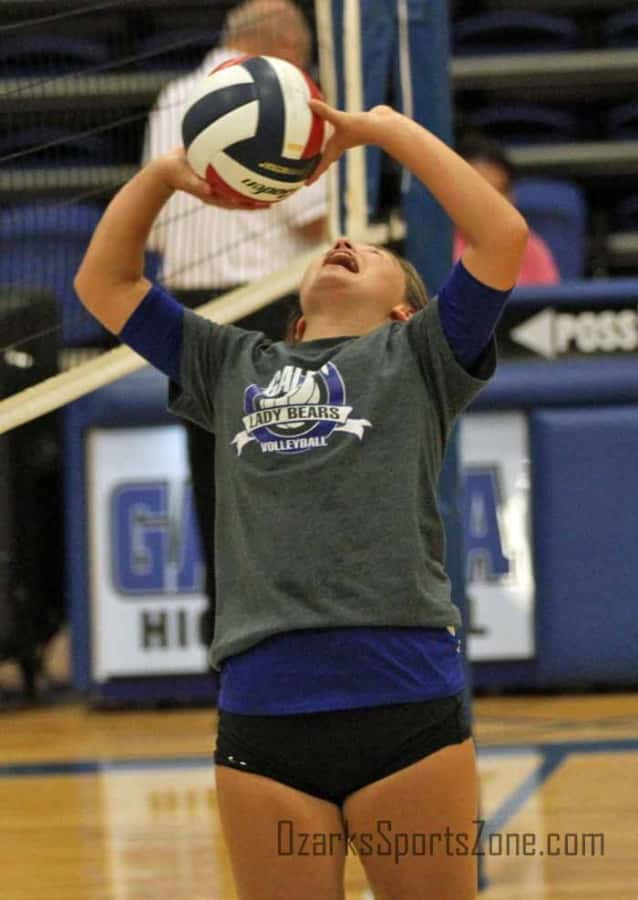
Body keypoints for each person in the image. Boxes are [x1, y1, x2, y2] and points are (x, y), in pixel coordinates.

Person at [75, 96, 528, 899]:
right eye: (332, 246)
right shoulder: (230, 362)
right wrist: (164, 177)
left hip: (403, 699)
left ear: (404, 308)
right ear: (293, 319)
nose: (343, 242)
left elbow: (501, 238)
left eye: (373, 250)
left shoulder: (419, 355)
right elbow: (104, 282)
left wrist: (380, 131)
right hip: (264, 713)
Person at [143, 0, 327, 649]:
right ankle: (292, 627)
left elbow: (157, 229)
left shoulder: (172, 97)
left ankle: (226, 638)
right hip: (265, 305)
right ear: (288, 46)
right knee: (287, 469)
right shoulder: (282, 93)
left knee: (213, 482)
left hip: (187, 310)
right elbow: (312, 219)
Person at [454, 132, 559, 286]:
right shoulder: (436, 249)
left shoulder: (531, 249)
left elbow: (552, 305)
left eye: (502, 191)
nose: (495, 203)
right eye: (481, 192)